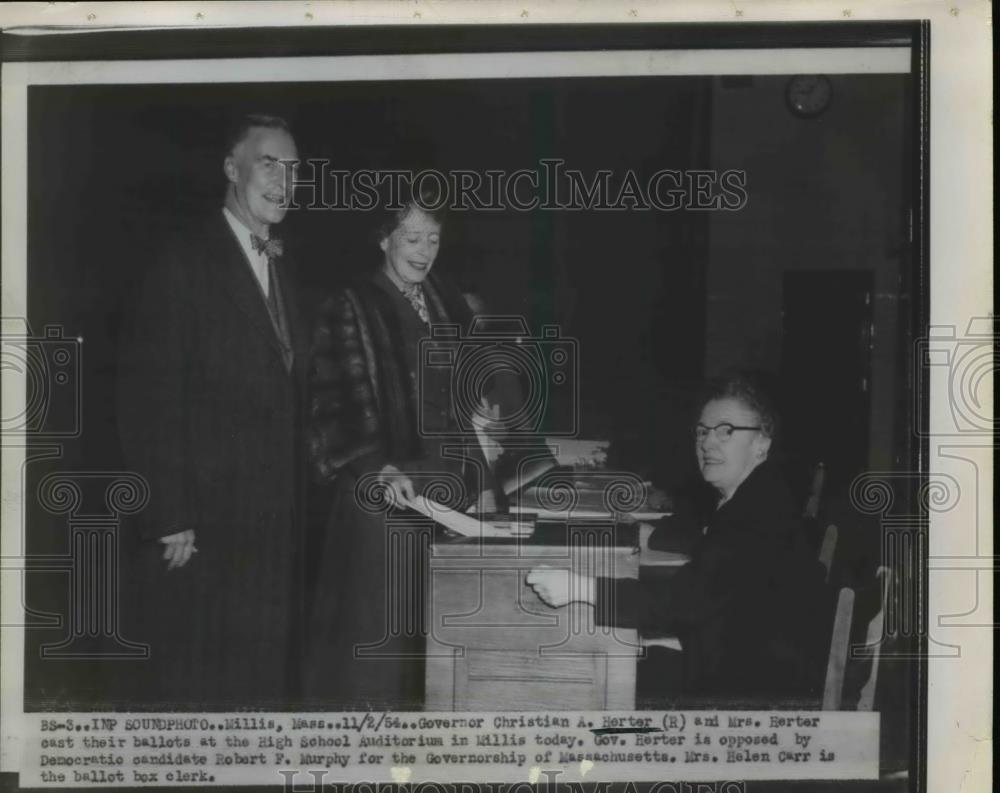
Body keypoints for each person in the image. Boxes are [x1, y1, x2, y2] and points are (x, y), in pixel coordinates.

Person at [117, 114, 307, 708]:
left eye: (294, 168)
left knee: (259, 686)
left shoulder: (284, 266)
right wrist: (169, 511)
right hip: (203, 526)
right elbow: (148, 395)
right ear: (231, 168)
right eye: (269, 163)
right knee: (200, 689)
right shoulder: (183, 259)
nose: (284, 180)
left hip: (272, 524)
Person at [304, 187, 501, 709]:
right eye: (412, 237)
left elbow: (464, 409)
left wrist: (482, 484)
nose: (424, 250)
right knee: (375, 646)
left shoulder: (448, 304)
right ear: (384, 238)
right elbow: (333, 400)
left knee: (436, 647)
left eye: (433, 239)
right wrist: (377, 468)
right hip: (383, 497)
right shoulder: (349, 304)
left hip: (447, 495)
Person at [527, 372, 829, 707]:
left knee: (582, 680)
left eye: (726, 431)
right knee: (608, 663)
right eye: (702, 431)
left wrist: (580, 589)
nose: (707, 443)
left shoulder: (757, 513)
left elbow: (682, 602)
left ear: (762, 444)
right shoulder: (755, 497)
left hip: (751, 693)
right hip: (741, 664)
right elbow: (716, 566)